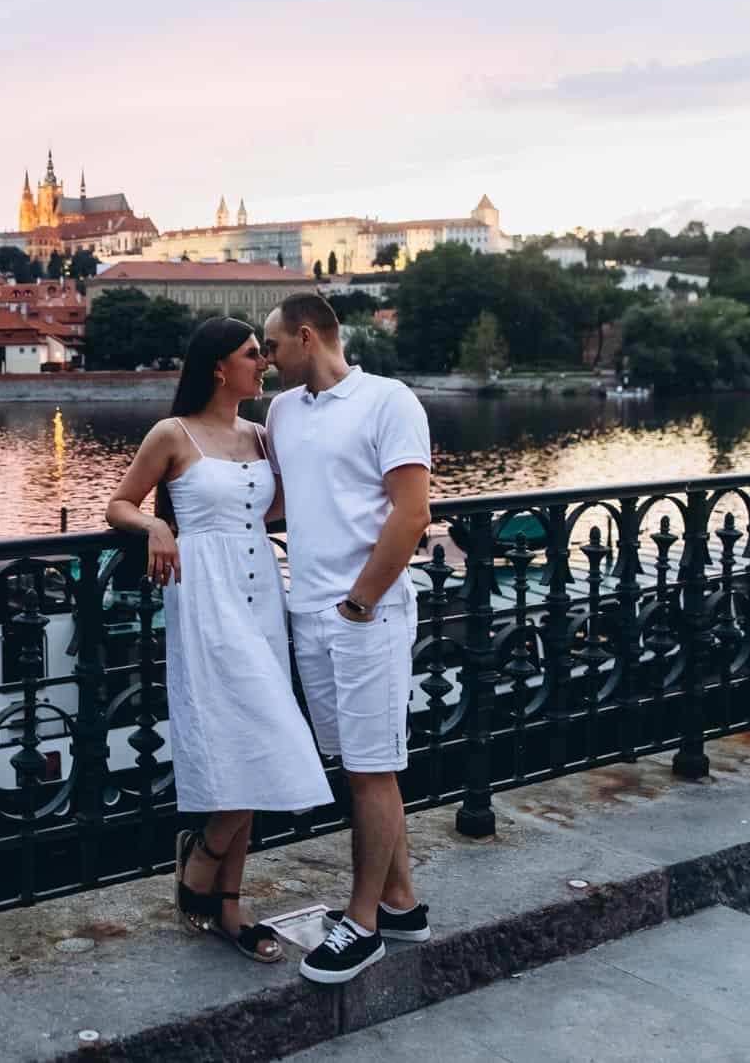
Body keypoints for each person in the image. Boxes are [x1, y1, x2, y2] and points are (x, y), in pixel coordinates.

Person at [105, 316, 334, 963]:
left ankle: (229, 906)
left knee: (254, 742)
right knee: (261, 733)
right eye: (251, 354)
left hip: (263, 590)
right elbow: (119, 502)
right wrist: (154, 527)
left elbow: (280, 506)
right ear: (217, 366)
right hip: (205, 594)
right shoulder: (172, 434)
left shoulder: (262, 436)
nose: (262, 363)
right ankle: (202, 863)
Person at [261, 292, 435, 985]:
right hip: (310, 611)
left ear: (307, 337)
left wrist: (360, 600)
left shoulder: (389, 401)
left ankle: (361, 926)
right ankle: (401, 902)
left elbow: (413, 509)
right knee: (361, 764)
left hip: (367, 613)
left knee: (370, 767)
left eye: (272, 346)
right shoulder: (281, 412)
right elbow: (282, 499)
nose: (267, 360)